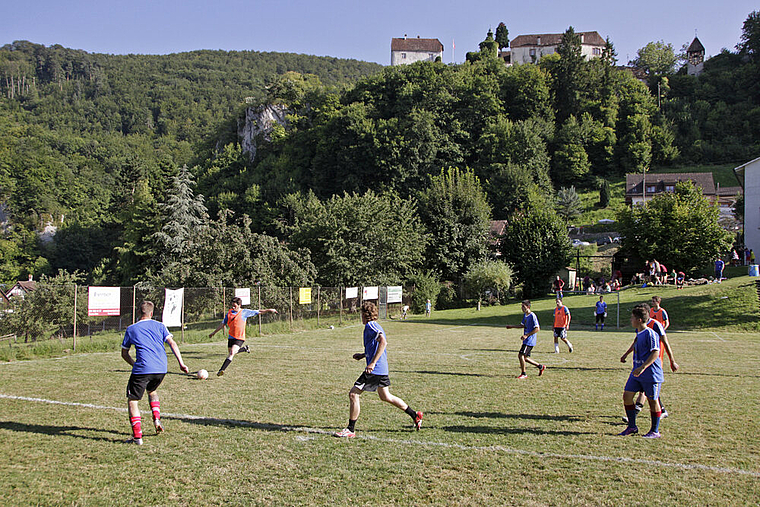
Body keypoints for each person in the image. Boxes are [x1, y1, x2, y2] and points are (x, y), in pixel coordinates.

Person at [334, 301, 423, 438]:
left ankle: (350, 429)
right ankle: (415, 415)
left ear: (364, 314)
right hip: (382, 369)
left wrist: (372, 363)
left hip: (375, 369)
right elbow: (375, 345)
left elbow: (383, 342)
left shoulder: (371, 325)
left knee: (353, 394)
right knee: (385, 396)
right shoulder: (373, 325)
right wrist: (364, 355)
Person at [121, 301, 190, 445]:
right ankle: (157, 418)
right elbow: (173, 343)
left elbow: (124, 353)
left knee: (133, 401)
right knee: (152, 390)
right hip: (161, 368)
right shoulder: (160, 326)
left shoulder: (131, 329)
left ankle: (137, 437)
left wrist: (134, 365)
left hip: (142, 369)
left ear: (140, 312)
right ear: (151, 313)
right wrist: (181, 363)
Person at [618, 304, 665, 438]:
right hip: (637, 373)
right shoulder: (639, 333)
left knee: (652, 401)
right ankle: (632, 426)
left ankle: (654, 431)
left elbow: (655, 352)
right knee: (627, 396)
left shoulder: (650, 333)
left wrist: (642, 367)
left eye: (632, 318)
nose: (630, 320)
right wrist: (626, 355)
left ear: (639, 320)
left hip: (650, 374)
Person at [209, 297, 278, 376]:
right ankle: (245, 349)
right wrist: (214, 332)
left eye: (234, 306)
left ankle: (221, 370)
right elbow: (222, 324)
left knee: (231, 353)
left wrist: (269, 310)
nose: (233, 307)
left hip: (239, 338)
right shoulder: (229, 313)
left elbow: (258, 311)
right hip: (231, 337)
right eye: (232, 305)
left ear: (239, 305)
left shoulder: (244, 312)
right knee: (232, 352)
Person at [505, 300, 546, 379]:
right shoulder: (525, 315)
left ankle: (524, 374)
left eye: (523, 307)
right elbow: (522, 325)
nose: (522, 308)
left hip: (530, 340)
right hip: (526, 340)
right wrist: (512, 326)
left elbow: (537, 328)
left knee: (521, 355)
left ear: (528, 307)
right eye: (521, 306)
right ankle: (540, 366)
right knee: (525, 358)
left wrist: (527, 335)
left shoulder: (532, 315)